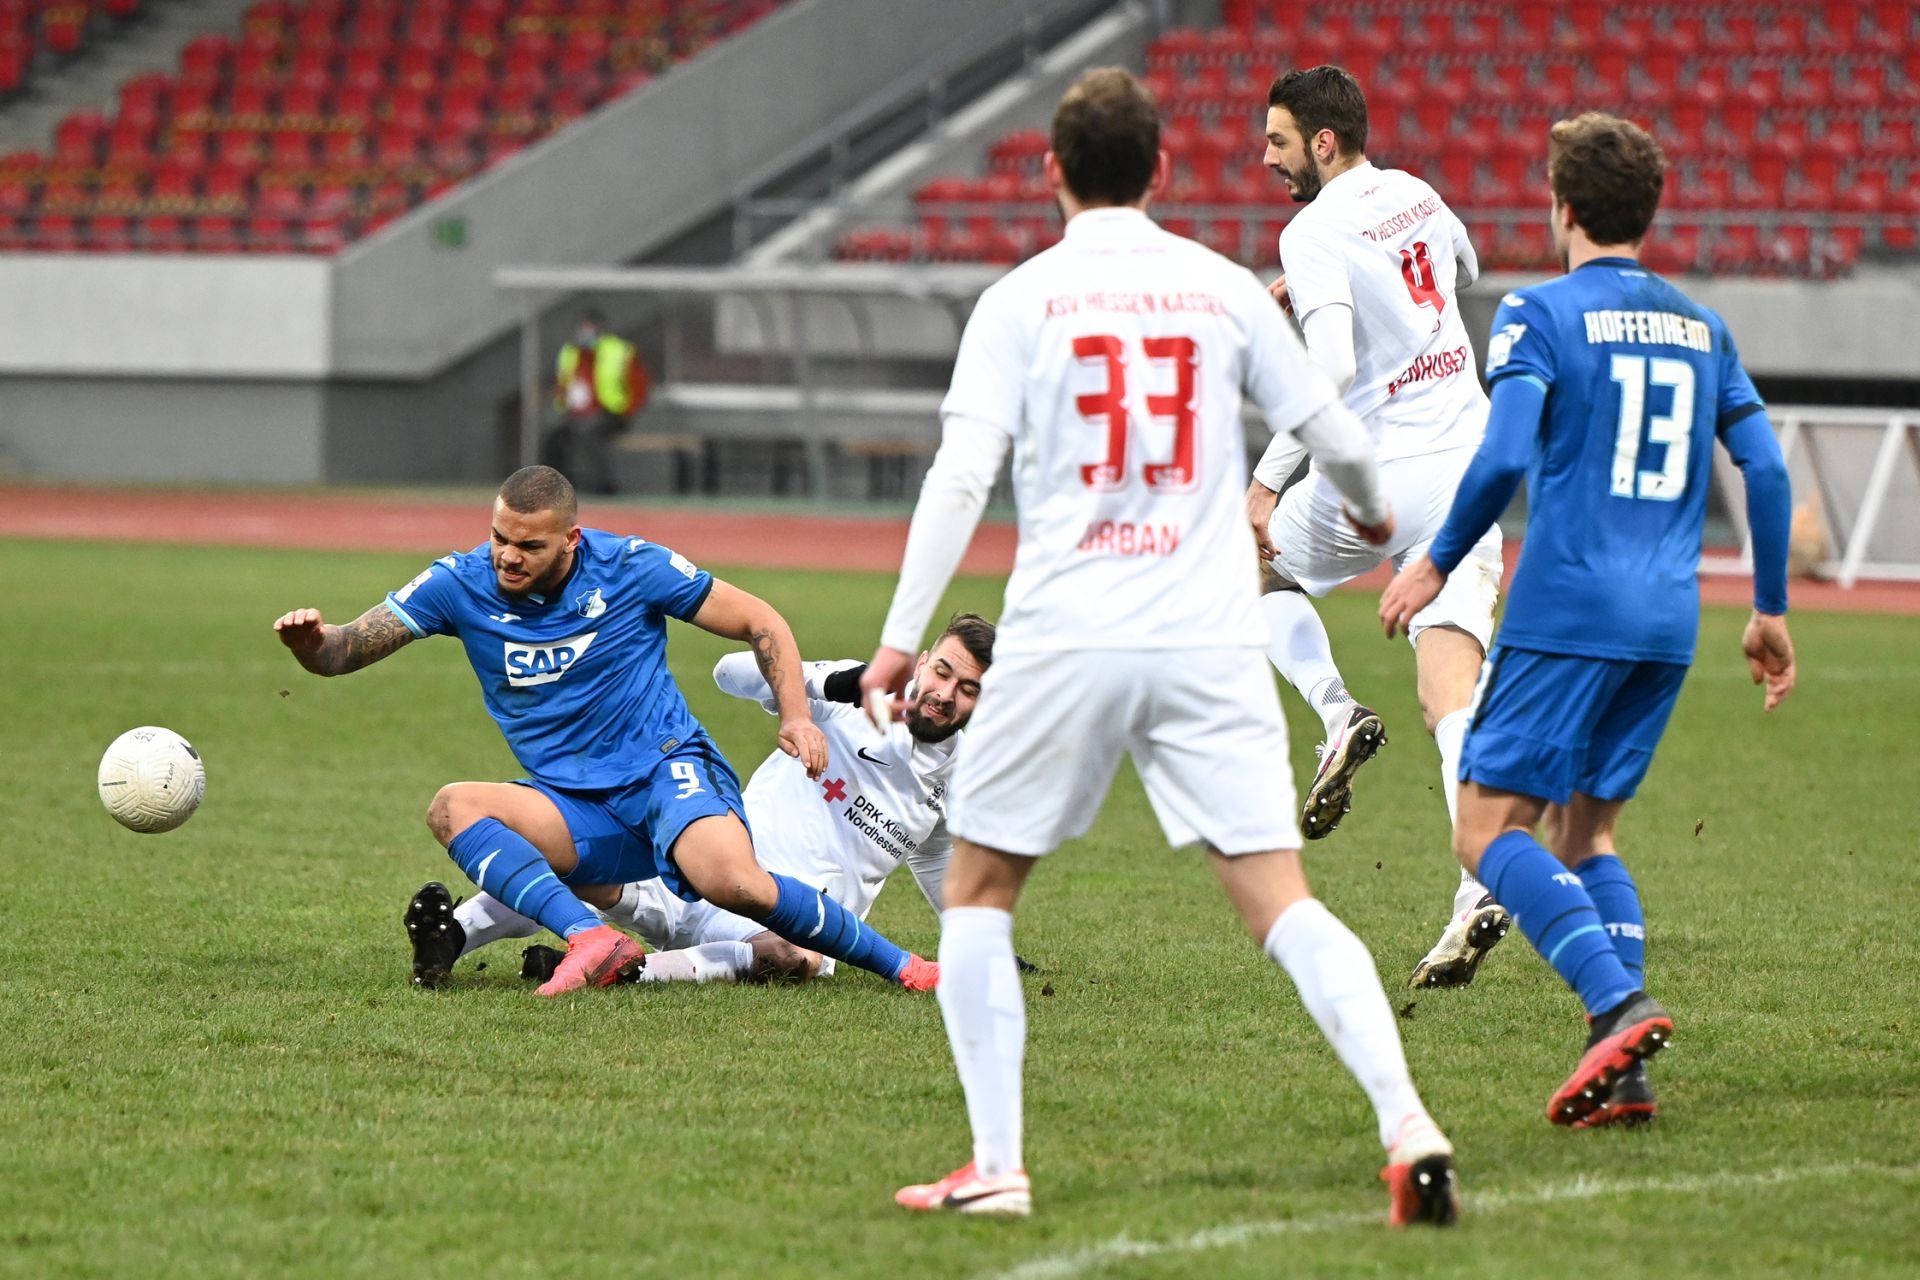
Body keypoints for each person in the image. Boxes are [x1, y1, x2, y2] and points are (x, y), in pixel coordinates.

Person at [863, 67, 1459, 1227]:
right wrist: (1374, 507)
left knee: (979, 889)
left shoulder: (1019, 300)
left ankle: (997, 1163)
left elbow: (960, 476)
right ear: (1163, 172)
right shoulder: (1222, 286)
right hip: (1201, 631)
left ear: (1050, 174)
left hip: (1066, 629)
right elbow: (1328, 421)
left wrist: (898, 638)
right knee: (1278, 898)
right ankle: (1409, 1124)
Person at [1379, 112, 1794, 1129]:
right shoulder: (1706, 326)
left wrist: (1435, 560)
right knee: (1585, 827)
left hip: (1569, 607)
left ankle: (1617, 1001)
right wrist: (1772, 606)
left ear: (1561, 206)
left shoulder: (1539, 313)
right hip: (1669, 617)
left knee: (1485, 830)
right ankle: (1625, 1069)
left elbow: (1508, 451)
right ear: (1646, 211)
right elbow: (1769, 468)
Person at [272, 465, 938, 997]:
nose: (506, 557)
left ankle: (903, 966)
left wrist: (795, 713)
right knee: (454, 806)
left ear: (571, 539)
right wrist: (310, 645)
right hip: (581, 806)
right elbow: (342, 650)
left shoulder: (630, 567)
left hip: (667, 772)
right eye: (500, 537)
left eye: (528, 545)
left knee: (732, 882)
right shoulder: (459, 582)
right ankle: (591, 939)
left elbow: (758, 619)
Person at [1250, 65, 1511, 990]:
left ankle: (1333, 714)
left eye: (1278, 140)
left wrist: (1268, 479)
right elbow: (1465, 267)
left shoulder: (1311, 229)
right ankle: (1481, 881)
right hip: (1474, 474)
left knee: (1248, 571)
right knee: (1451, 699)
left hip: (1384, 477)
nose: (1266, 156)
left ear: (1323, 143)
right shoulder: (1415, 192)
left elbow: (1326, 367)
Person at [412, 614, 995, 987]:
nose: (944, 694)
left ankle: (633, 973)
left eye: (966, 688)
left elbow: (936, 859)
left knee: (799, 959)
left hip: (783, 925)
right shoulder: (849, 691)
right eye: (941, 671)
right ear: (921, 663)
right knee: (579, 860)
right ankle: (454, 934)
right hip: (708, 857)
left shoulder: (960, 778)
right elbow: (728, 673)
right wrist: (832, 684)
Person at [547, 310, 649, 495]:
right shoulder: (571, 352)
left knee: (590, 435)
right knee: (554, 437)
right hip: (577, 414)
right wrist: (563, 406)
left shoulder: (619, 350)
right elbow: (563, 383)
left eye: (591, 328)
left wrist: (627, 410)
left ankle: (604, 486)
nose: (586, 333)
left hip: (611, 414)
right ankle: (556, 490)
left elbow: (639, 384)